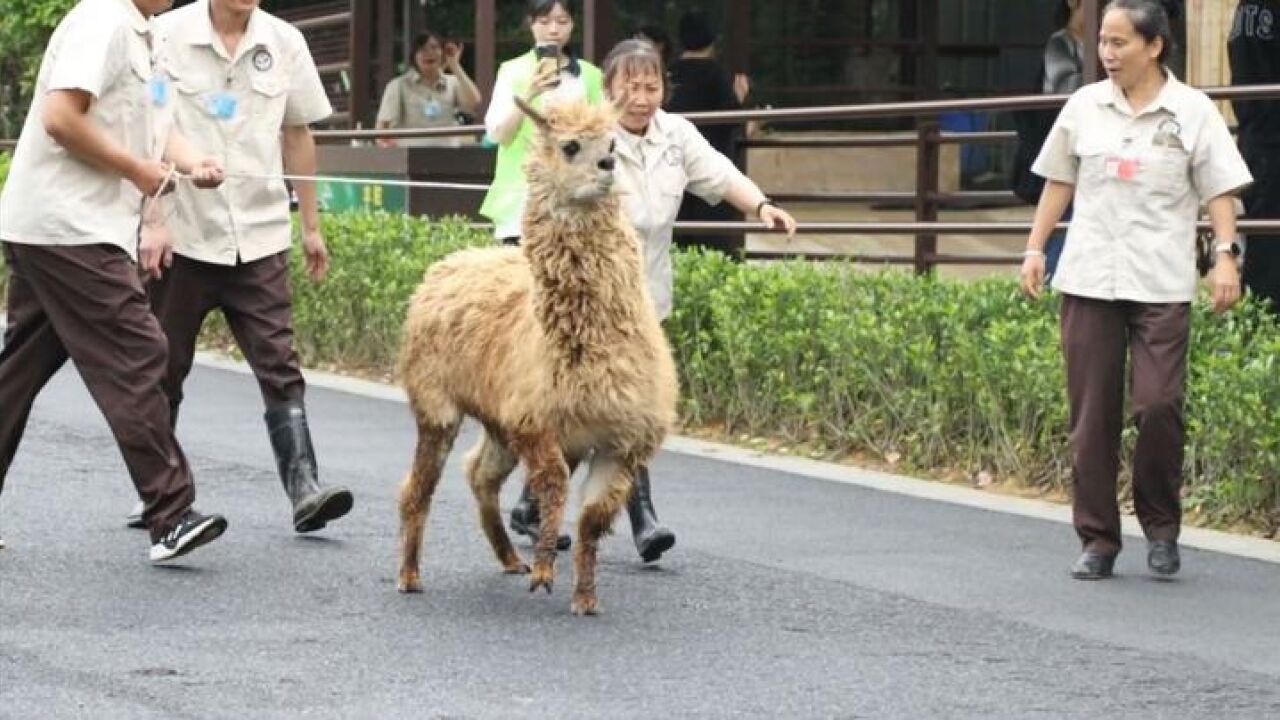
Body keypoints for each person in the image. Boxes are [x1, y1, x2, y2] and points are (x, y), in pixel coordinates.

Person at [1019, 0, 1251, 580]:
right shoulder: (1084, 105)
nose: (1107, 53)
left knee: (1158, 405)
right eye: (1104, 42)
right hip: (1091, 276)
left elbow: (1219, 190)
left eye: (1120, 43)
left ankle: (1162, 527)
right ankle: (1097, 539)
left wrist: (1226, 256)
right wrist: (1033, 248)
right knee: (1092, 416)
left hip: (1160, 280)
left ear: (1155, 47)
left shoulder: (1192, 111)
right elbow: (1058, 182)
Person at [0, 0, 228, 562]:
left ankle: (168, 511)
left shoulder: (146, 34)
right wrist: (138, 172)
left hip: (63, 225)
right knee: (138, 350)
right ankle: (170, 513)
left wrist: (194, 162)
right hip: (67, 226)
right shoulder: (101, 21)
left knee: (17, 375)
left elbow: (156, 125)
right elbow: (61, 117)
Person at [121, 0, 354, 534]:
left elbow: (297, 134)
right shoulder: (166, 35)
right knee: (164, 364)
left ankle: (304, 487)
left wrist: (311, 227)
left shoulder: (284, 41)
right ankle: (157, 488)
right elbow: (148, 127)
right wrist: (152, 213)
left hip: (259, 234)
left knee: (280, 361)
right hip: (183, 232)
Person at [576, 37, 796, 563]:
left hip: (648, 299)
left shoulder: (676, 135)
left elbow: (719, 174)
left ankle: (544, 505)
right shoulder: (588, 140)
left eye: (652, 86)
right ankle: (639, 516)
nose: (642, 97)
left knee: (628, 408)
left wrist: (762, 205)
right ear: (608, 90)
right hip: (594, 299)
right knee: (601, 407)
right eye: (630, 86)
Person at [479, 0, 604, 245]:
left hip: (575, 200)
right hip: (520, 202)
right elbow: (499, 136)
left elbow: (603, 135)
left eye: (562, 21)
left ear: (573, 25)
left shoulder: (590, 75)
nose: (554, 30)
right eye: (545, 22)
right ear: (531, 24)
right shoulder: (512, 71)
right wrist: (529, 94)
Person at [666, 9, 751, 257]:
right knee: (711, 241)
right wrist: (738, 99)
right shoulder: (716, 74)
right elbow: (728, 120)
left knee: (677, 238)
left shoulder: (670, 73)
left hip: (673, 167)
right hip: (709, 168)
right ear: (714, 40)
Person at [1229, 0, 1280, 311]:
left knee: (1263, 241)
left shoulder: (1244, 10)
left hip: (1255, 136)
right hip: (1272, 138)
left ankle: (1259, 330)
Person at [375, 30, 482, 148]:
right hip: (412, 157)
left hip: (449, 156)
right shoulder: (398, 86)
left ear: (443, 52)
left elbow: (474, 102)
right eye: (422, 49)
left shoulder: (452, 83)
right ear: (413, 56)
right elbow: (382, 128)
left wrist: (455, 65)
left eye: (434, 48)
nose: (429, 53)